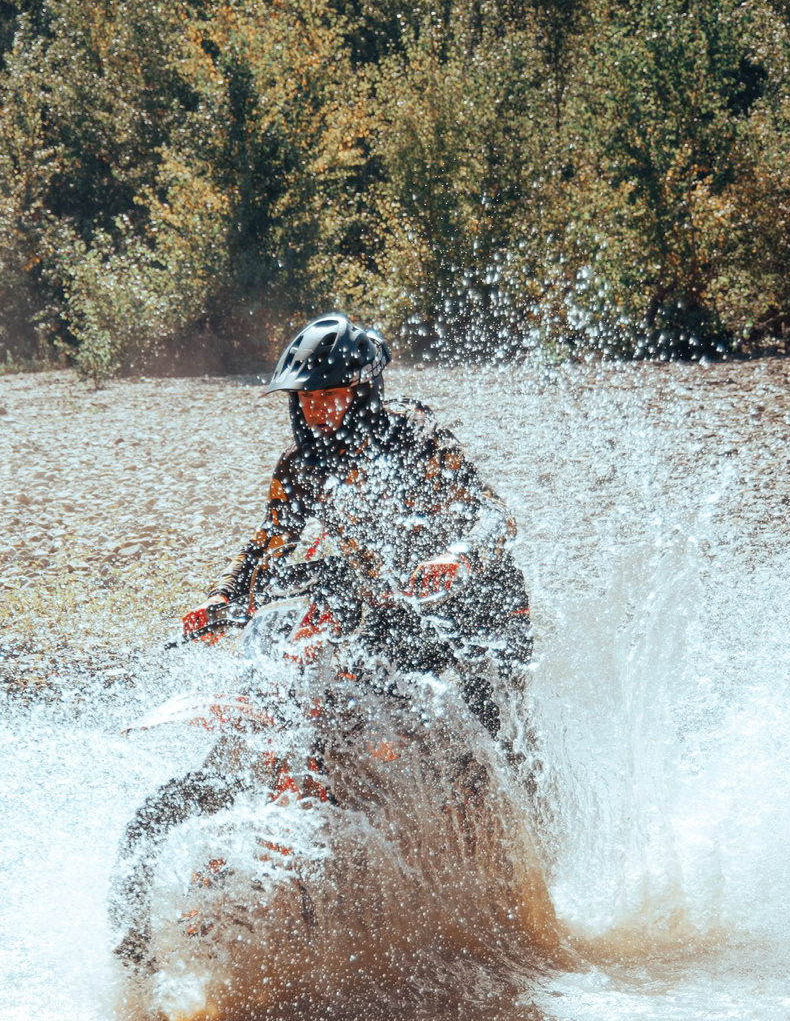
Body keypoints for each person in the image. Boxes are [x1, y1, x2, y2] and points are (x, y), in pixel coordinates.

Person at [180, 312, 531, 731]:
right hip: (396, 610)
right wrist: (225, 598)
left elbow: (497, 516)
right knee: (362, 719)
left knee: (497, 736)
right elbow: (269, 545)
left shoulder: (416, 439)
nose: (316, 411)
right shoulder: (300, 470)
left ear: (362, 391)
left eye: (329, 396)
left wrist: (457, 559)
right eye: (306, 399)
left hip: (482, 603)